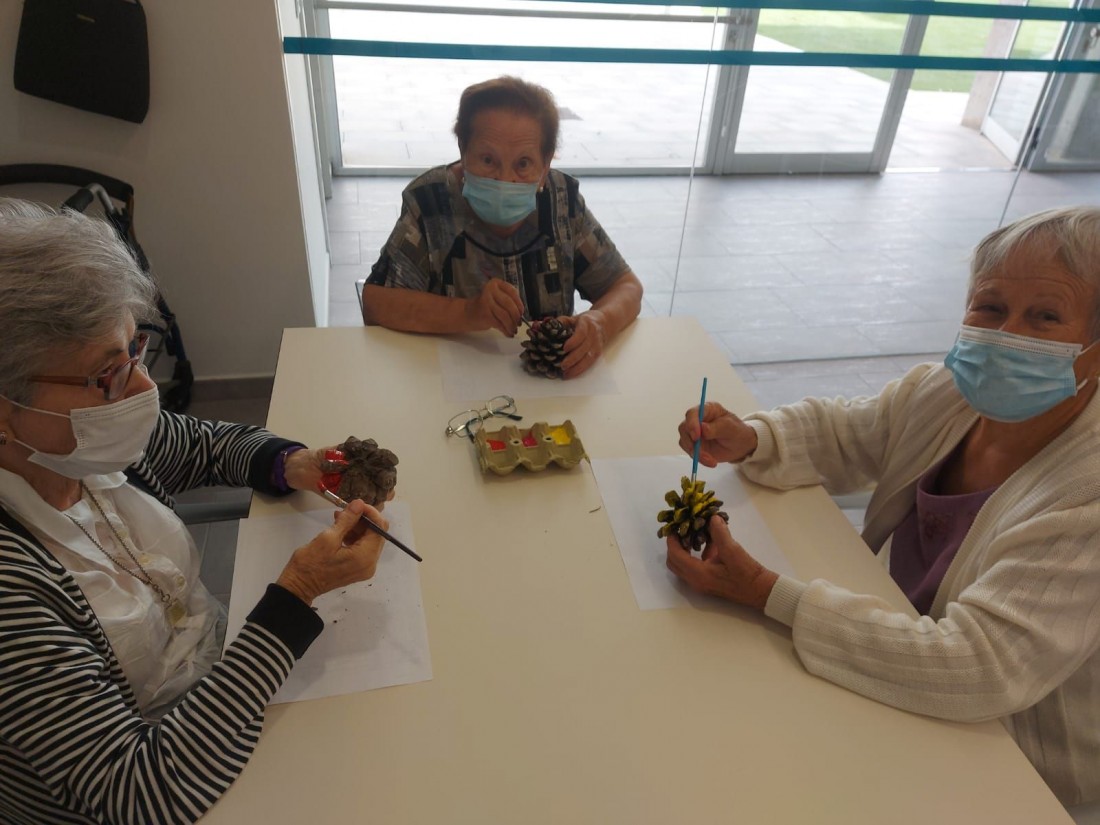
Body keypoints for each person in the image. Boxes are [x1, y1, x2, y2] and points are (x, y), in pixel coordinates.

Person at [667, 206, 1100, 813]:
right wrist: (754, 438)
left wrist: (766, 592)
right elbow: (850, 432)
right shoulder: (948, 393)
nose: (1006, 336)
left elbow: (979, 668)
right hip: (888, 658)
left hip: (1009, 763)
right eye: (990, 307)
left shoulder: (1087, 493)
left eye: (1045, 317)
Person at [0, 198, 393, 824]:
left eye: (136, 350)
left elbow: (204, 444)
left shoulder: (83, 446)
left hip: (213, 698)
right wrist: (295, 597)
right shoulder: (13, 588)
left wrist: (293, 464)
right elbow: (139, 793)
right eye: (107, 375)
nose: (142, 388)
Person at [361, 75, 643, 379]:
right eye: (487, 159)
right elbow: (377, 303)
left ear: (546, 164)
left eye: (523, 164)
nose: (504, 179)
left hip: (550, 386)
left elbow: (626, 287)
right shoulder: (431, 202)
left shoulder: (562, 201)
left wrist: (601, 322)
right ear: (463, 150)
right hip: (446, 379)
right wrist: (468, 312)